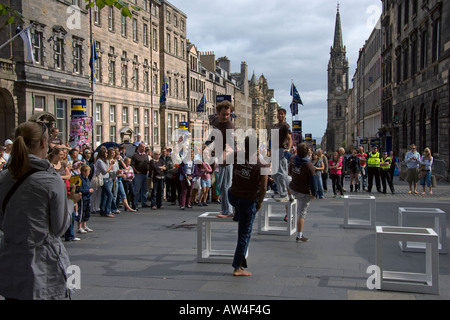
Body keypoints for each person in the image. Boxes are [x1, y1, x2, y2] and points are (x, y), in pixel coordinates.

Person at [0, 121, 81, 300]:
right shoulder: (50, 181)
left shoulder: (4, 177)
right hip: (43, 265)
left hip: (10, 262)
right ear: (44, 144)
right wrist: (70, 202)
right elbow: (59, 228)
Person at [228, 136, 268, 276]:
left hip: (233, 196)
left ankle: (237, 213)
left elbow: (222, 162)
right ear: (257, 147)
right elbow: (263, 186)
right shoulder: (262, 164)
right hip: (246, 200)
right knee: (244, 235)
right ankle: (237, 267)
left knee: (237, 204)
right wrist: (260, 202)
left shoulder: (237, 156)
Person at [209, 100, 236, 217]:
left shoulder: (230, 126)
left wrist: (223, 159)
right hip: (220, 154)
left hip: (228, 154)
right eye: (224, 114)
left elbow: (229, 146)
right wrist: (207, 144)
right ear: (218, 113)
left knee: (226, 185)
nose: (226, 117)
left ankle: (228, 211)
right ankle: (225, 208)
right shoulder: (215, 120)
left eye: (228, 114)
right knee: (220, 185)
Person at [286, 143, 317, 242]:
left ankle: (289, 204)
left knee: (288, 190)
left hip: (293, 188)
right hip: (304, 191)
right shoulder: (309, 165)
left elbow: (290, 172)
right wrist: (314, 193)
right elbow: (313, 183)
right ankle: (299, 235)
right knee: (301, 213)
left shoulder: (293, 160)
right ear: (307, 152)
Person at [272, 108, 293, 202]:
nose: (280, 115)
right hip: (275, 149)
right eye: (278, 114)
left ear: (284, 115)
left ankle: (284, 193)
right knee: (275, 173)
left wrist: (288, 149)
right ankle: (282, 191)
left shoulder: (285, 126)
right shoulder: (275, 126)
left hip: (281, 149)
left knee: (282, 172)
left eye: (281, 114)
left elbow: (290, 138)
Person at [96, 147, 115, 217]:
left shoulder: (105, 161)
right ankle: (107, 211)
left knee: (104, 196)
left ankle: (103, 210)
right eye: (106, 152)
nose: (107, 154)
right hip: (103, 179)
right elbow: (105, 171)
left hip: (107, 178)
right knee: (110, 195)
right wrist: (111, 165)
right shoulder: (99, 161)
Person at [131, 143, 150, 209]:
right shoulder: (135, 156)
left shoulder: (145, 155)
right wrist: (136, 171)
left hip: (145, 174)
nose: (143, 148)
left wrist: (148, 170)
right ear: (139, 148)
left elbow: (148, 163)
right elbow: (132, 165)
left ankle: (144, 203)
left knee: (144, 190)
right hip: (138, 175)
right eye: (142, 147)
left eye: (144, 147)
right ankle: (135, 204)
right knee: (137, 190)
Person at [77, 164, 94, 234]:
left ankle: (85, 225)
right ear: (83, 172)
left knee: (87, 212)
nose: (89, 173)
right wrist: (88, 191)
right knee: (81, 212)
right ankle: (79, 227)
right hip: (82, 198)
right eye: (88, 172)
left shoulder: (87, 179)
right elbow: (79, 189)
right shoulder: (79, 179)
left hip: (87, 197)